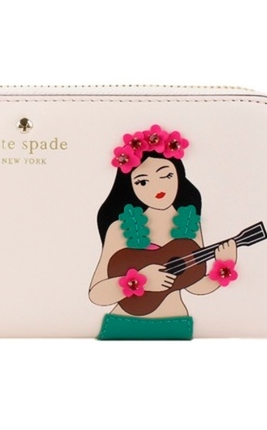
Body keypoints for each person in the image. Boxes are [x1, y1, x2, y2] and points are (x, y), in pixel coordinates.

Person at [88, 125, 237, 340]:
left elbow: (194, 285)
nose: (157, 187)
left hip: (178, 322)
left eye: (166, 175)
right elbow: (97, 293)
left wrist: (224, 266)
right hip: (124, 321)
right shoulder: (120, 228)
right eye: (142, 181)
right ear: (130, 186)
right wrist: (143, 280)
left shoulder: (190, 223)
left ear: (179, 176)